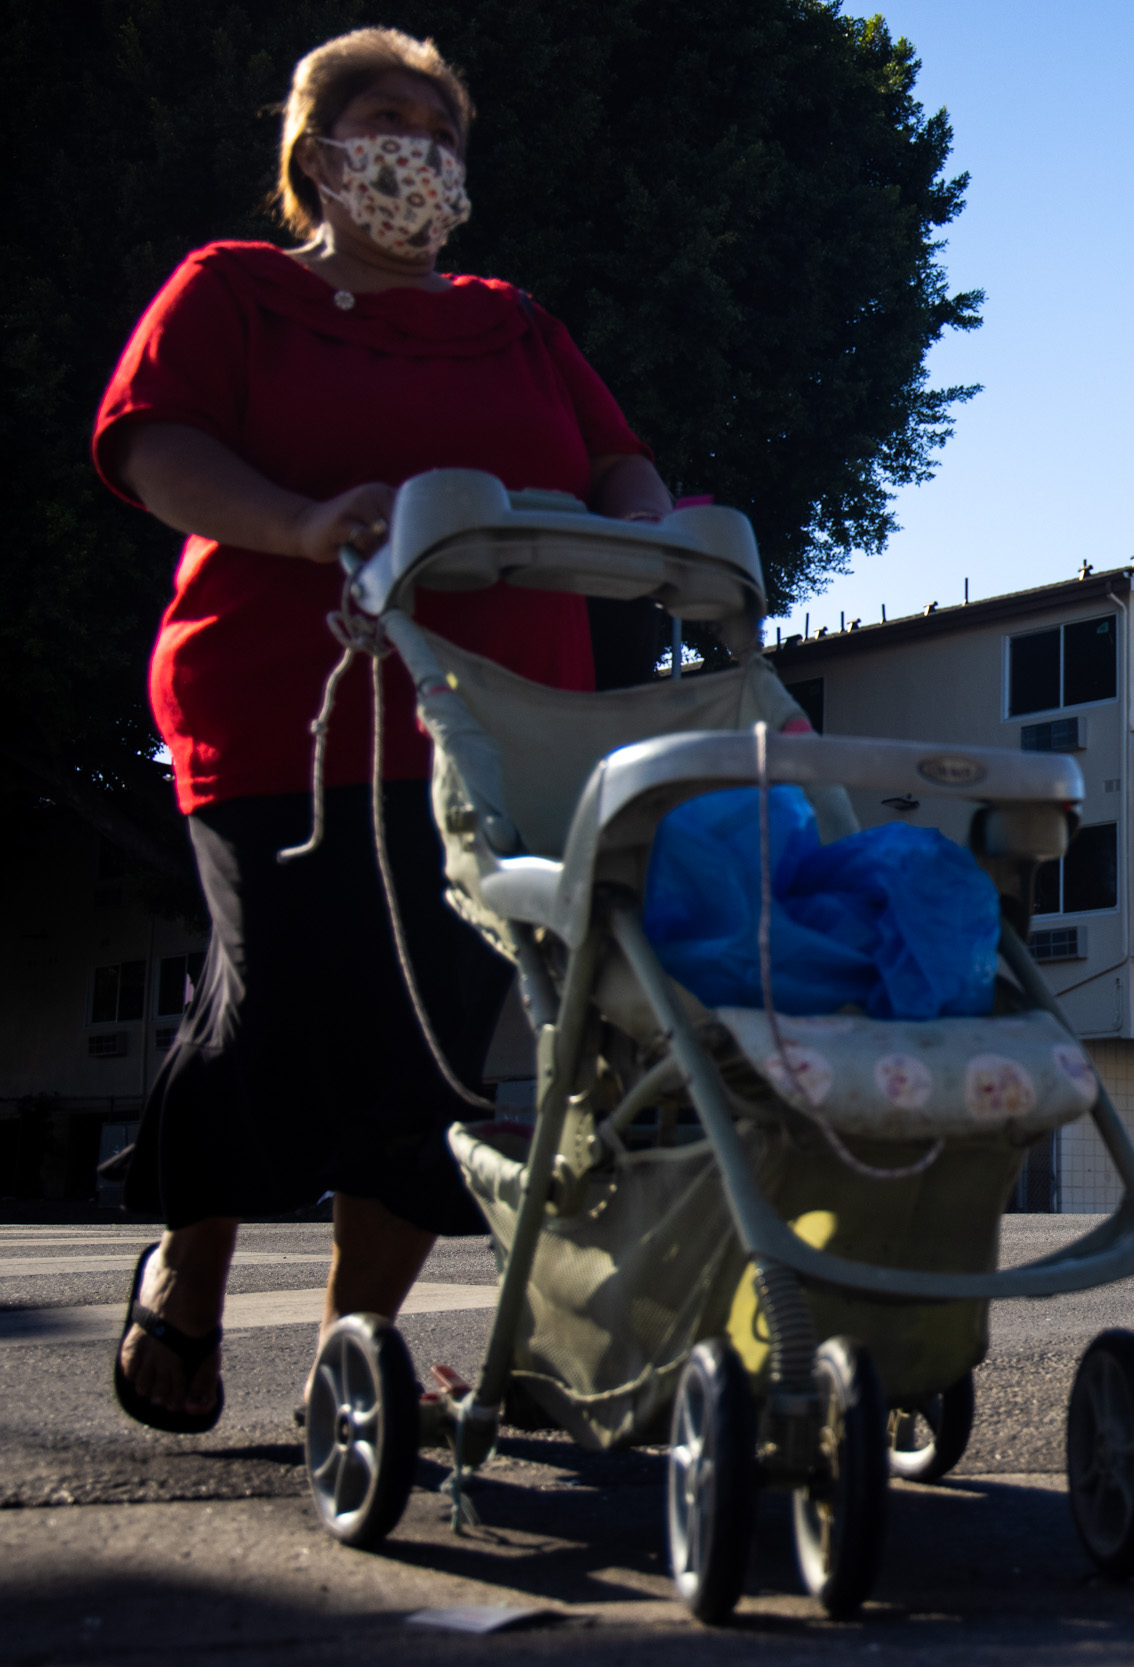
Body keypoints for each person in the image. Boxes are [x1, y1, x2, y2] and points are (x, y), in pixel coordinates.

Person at [96, 28, 672, 1433]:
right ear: (316, 155)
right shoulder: (231, 290)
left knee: (436, 1052)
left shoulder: (516, 321)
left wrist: (646, 535)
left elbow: (617, 459)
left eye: (440, 127)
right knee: (272, 1004)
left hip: (492, 727)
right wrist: (301, 523)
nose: (417, 146)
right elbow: (151, 440)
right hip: (282, 715)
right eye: (383, 116)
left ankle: (354, 1347)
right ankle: (192, 1265)